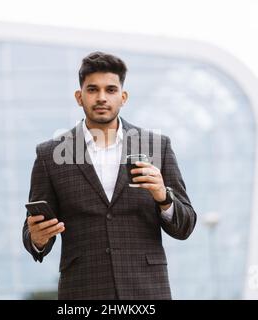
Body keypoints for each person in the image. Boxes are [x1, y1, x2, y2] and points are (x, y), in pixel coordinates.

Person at [22, 51, 197, 300]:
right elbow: (33, 230)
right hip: (83, 291)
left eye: (111, 90)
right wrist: (37, 239)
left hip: (147, 292)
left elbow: (185, 225)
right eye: (92, 89)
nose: (102, 97)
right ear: (79, 97)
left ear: (123, 97)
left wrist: (163, 197)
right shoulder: (50, 155)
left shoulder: (157, 147)